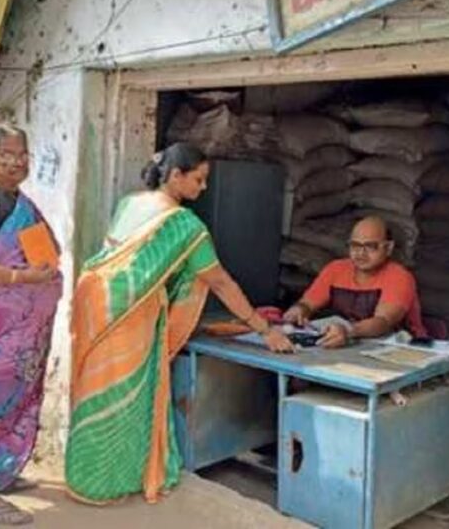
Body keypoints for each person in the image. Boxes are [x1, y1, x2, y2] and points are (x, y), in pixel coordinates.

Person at [65, 143, 293, 505]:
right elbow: (220, 281)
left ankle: (82, 477)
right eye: (199, 180)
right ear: (175, 176)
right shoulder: (185, 226)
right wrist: (264, 329)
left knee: (93, 391)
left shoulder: (129, 202)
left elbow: (116, 252)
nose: (203, 188)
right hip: (132, 315)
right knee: (124, 396)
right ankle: (106, 483)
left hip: (96, 302)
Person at [0, 125, 62, 526]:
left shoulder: (19, 201)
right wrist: (22, 280)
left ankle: (0, 472)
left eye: (24, 154)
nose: (18, 161)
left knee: (19, 400)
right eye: (7, 153)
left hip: (26, 329)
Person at [282, 215, 428, 347]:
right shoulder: (336, 269)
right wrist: (299, 310)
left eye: (370, 246)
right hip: (352, 345)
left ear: (388, 248)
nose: (361, 253)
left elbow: (383, 322)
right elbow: (308, 303)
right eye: (355, 245)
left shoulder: (399, 276)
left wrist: (348, 331)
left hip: (399, 348)